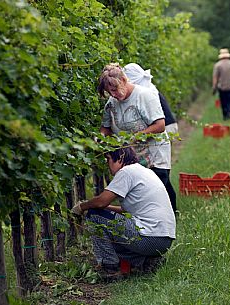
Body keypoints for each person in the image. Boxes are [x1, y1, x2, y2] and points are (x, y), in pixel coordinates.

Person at [71, 146, 176, 279]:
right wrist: (104, 208)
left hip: (150, 237)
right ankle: (147, 262)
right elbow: (125, 210)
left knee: (94, 215)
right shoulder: (144, 171)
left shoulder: (127, 172)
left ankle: (109, 268)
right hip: (163, 240)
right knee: (108, 229)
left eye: (108, 159)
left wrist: (82, 206)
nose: (107, 164)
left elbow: (101, 201)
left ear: (120, 157)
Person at [97, 63, 172, 192]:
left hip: (154, 154)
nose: (113, 94)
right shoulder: (111, 103)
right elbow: (105, 127)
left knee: (157, 190)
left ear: (124, 80)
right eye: (109, 92)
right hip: (133, 157)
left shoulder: (144, 96)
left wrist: (137, 137)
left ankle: (172, 212)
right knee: (141, 193)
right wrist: (101, 140)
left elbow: (160, 125)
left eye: (114, 89)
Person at [122, 63, 178, 214]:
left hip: (165, 128)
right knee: (161, 175)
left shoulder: (145, 91)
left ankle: (165, 212)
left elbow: (157, 123)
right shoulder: (147, 86)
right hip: (166, 127)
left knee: (159, 174)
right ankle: (171, 211)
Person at [212, 48, 230, 120]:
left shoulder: (217, 65)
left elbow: (215, 77)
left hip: (221, 86)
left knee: (223, 101)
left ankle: (225, 114)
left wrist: (214, 87)